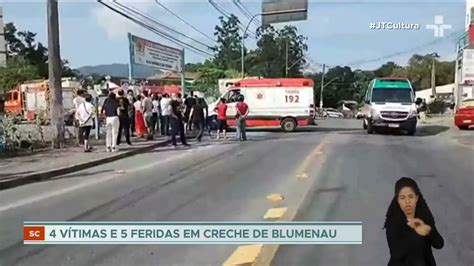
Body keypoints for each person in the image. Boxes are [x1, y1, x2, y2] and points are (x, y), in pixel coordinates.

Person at [384, 177, 444, 266]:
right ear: (398, 200)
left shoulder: (424, 218)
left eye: (411, 197)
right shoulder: (393, 224)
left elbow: (439, 244)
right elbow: (397, 254)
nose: (407, 201)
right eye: (402, 198)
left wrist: (428, 231)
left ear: (417, 198)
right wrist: (415, 232)